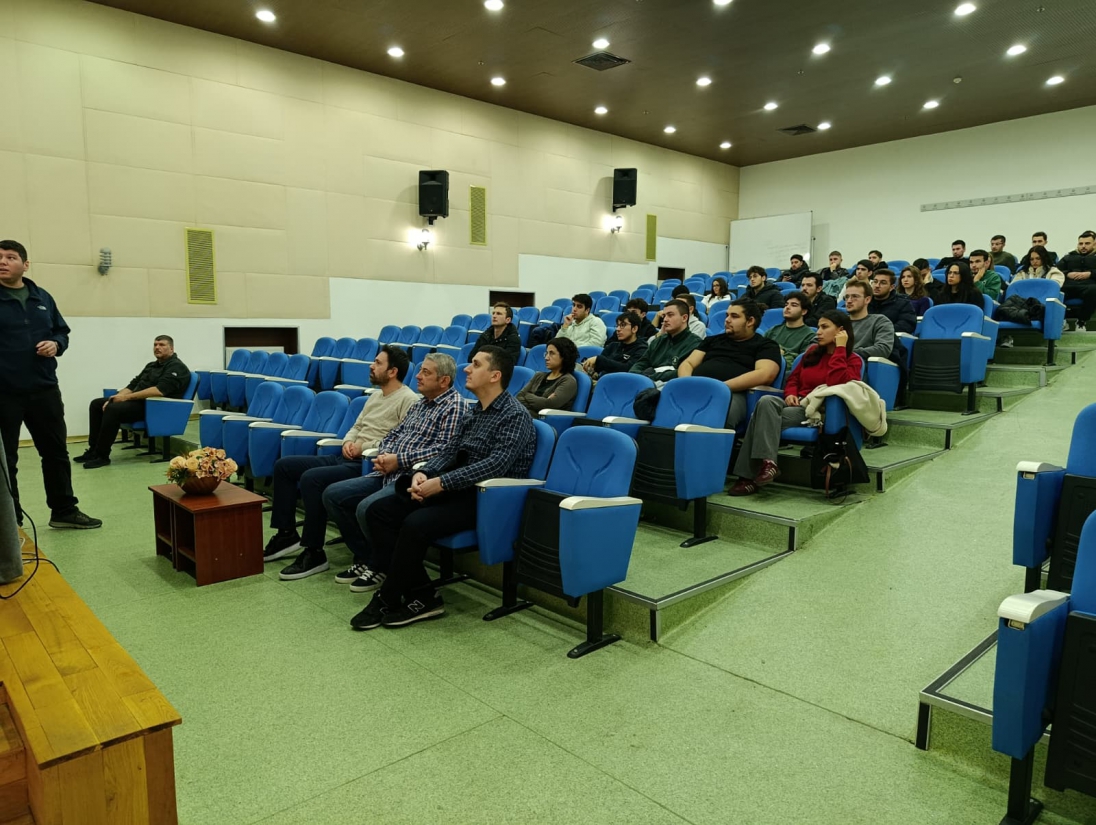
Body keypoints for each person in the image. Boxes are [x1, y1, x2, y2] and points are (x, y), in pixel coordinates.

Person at [353, 346, 536, 629]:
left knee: (414, 523)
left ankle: (387, 597)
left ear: (495, 376)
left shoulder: (515, 415)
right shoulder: (474, 412)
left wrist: (441, 483)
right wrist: (424, 473)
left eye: (476, 365)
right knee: (378, 511)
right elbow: (449, 451)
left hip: (485, 499)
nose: (467, 369)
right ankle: (423, 594)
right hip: (454, 489)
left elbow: (495, 465)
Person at [316, 354, 469, 594]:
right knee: (333, 495)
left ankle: (381, 566)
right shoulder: (420, 404)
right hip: (387, 471)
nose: (418, 376)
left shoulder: (455, 406)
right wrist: (385, 454)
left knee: (367, 508)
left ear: (444, 380)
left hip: (412, 478)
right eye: (420, 370)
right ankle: (370, 558)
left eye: (426, 372)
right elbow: (394, 434)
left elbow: (443, 450)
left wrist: (398, 460)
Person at [265, 345, 419, 579]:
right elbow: (357, 426)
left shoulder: (408, 400)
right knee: (284, 466)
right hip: (346, 455)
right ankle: (287, 534)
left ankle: (314, 551)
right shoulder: (375, 395)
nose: (371, 366)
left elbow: (399, 440)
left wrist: (362, 448)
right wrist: (348, 442)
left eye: (378, 363)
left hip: (367, 463)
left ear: (392, 371)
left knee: (312, 479)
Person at [0, 239, 100, 529]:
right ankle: (11, 522)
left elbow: (62, 332)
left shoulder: (42, 297)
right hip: (4, 393)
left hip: (44, 389)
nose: (2, 262)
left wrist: (56, 344)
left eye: (10, 257)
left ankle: (64, 511)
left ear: (25, 264)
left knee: (56, 453)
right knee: (6, 460)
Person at [728, 311, 862, 496]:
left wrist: (840, 349)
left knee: (758, 419)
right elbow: (793, 379)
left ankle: (747, 477)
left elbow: (836, 384)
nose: (818, 332)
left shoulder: (853, 360)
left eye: (824, 327)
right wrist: (791, 394)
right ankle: (768, 463)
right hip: (796, 404)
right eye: (818, 327)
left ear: (841, 331)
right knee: (766, 401)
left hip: (818, 411)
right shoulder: (812, 353)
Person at [76, 336, 191, 469]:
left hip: (157, 407)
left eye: (162, 345)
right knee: (96, 404)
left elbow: (159, 391)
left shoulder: (177, 367)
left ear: (171, 349)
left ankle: (102, 455)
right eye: (155, 344)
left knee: (113, 410)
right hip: (140, 403)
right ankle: (93, 450)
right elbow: (133, 385)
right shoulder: (151, 365)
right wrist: (115, 398)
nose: (157, 347)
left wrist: (125, 398)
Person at [678, 299, 782, 430]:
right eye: (727, 315)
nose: (727, 320)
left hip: (734, 394)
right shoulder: (712, 340)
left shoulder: (766, 345)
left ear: (750, 321)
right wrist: (687, 384)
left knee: (714, 414)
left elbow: (765, 374)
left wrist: (720, 388)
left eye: (734, 316)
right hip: (697, 389)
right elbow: (688, 363)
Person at [629, 300, 701, 385]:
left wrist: (650, 376)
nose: (665, 319)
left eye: (670, 315)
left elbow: (681, 372)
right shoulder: (658, 341)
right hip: (647, 384)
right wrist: (642, 376)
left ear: (684, 318)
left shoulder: (696, 344)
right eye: (664, 316)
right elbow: (639, 365)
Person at [516, 337, 579, 413]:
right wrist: (539, 402)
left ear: (564, 356)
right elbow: (519, 397)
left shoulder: (568, 381)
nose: (546, 358)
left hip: (541, 418)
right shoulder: (538, 375)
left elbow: (549, 405)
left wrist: (527, 395)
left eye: (552, 353)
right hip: (523, 413)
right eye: (546, 353)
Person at [843, 280, 895, 362]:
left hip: (861, 365)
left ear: (867, 299)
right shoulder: (839, 322)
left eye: (855, 296)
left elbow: (883, 349)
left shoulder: (880, 321)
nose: (849, 301)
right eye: (847, 297)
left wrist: (845, 353)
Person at [585, 311, 648, 376]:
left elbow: (628, 369)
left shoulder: (642, 349)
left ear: (634, 329)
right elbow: (598, 368)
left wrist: (599, 360)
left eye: (623, 325)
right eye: (617, 326)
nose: (618, 329)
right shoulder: (612, 346)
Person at [764, 292, 816, 371]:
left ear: (804, 311)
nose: (787, 307)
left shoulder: (810, 336)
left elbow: (801, 363)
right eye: (786, 304)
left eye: (794, 305)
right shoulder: (774, 329)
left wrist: (781, 352)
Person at [1057, 231, 1096, 331]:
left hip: (1089, 286)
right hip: (1069, 285)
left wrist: (1090, 274)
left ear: (1094, 244)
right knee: (1056, 290)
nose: (1083, 246)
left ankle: (1081, 321)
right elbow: (1056, 271)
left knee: (1094, 290)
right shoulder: (1068, 257)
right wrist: (1067, 274)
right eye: (1081, 243)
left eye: (1087, 243)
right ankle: (1061, 320)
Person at [868, 270, 917, 335]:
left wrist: (881, 330)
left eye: (883, 283)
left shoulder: (903, 303)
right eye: (875, 281)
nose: (877, 285)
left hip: (889, 338)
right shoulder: (865, 302)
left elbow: (907, 325)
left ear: (891, 287)